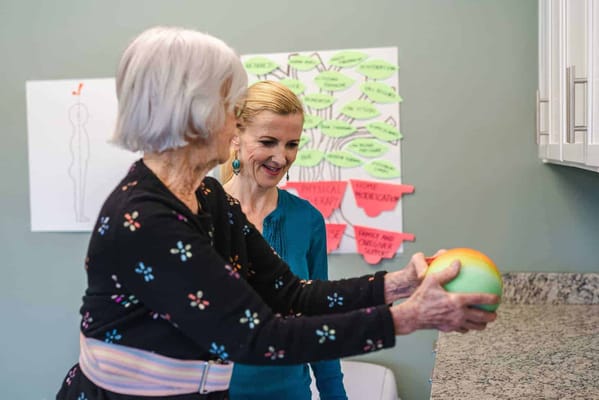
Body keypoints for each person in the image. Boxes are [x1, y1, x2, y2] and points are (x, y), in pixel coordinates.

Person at [56, 26, 498, 400]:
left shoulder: (207, 198)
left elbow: (291, 294)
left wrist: (403, 283)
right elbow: (256, 335)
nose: (234, 127)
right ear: (194, 114)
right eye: (231, 110)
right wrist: (410, 317)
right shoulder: (146, 219)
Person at [221, 80, 347, 400]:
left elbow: (318, 318)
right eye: (268, 141)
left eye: (292, 144)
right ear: (235, 136)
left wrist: (335, 395)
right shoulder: (198, 217)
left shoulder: (307, 220)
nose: (281, 157)